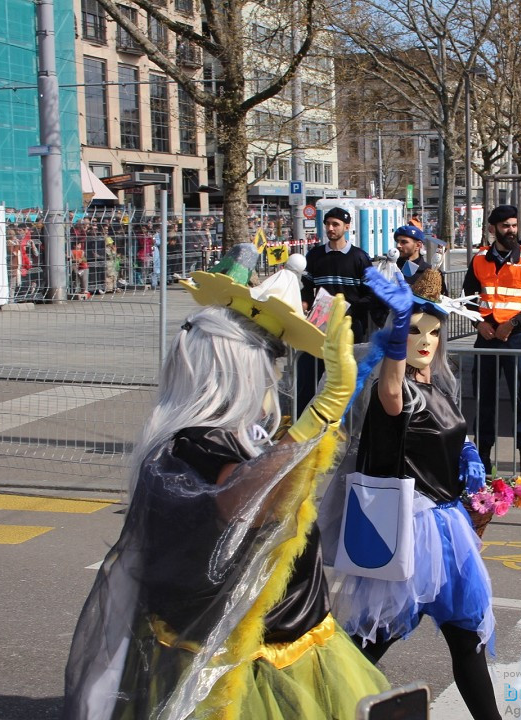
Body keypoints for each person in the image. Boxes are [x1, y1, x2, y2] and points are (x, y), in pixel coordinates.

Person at [61, 252, 388, 720]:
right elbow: (244, 502)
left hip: (287, 637)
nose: (276, 374)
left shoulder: (237, 436)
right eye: (270, 359)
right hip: (245, 663)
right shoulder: (197, 443)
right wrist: (320, 414)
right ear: (236, 369)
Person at [330, 267, 500, 720]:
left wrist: (476, 477)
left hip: (449, 529)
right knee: (369, 643)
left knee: (467, 641)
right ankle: (319, 704)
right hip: (410, 529)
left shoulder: (437, 385)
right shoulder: (398, 389)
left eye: (434, 331)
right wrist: (400, 322)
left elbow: (447, 442)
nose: (425, 340)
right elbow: (389, 390)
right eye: (415, 331)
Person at [462, 205, 521, 477]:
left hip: (516, 337)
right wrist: (480, 323)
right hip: (487, 337)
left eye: (513, 225)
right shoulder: (479, 260)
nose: (511, 230)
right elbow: (469, 300)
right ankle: (483, 457)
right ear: (492, 229)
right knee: (484, 398)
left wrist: (512, 324)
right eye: (505, 226)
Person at [297, 206, 374, 412]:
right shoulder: (314, 256)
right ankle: (304, 417)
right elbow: (306, 287)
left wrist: (350, 310)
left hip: (350, 328)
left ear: (346, 227)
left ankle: (346, 421)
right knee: (310, 373)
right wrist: (305, 304)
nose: (330, 228)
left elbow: (371, 294)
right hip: (319, 325)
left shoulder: (359, 257)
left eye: (335, 224)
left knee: (345, 377)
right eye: (328, 224)